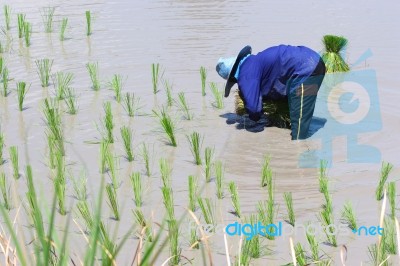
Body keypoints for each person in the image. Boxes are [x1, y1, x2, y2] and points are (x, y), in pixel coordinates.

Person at [216, 45, 326, 140]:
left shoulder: (246, 73)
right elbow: (274, 85)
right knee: (301, 107)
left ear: (233, 77)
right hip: (316, 65)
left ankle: (301, 153)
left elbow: (254, 108)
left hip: (305, 71)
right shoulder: (255, 62)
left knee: (300, 130)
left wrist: (254, 119)